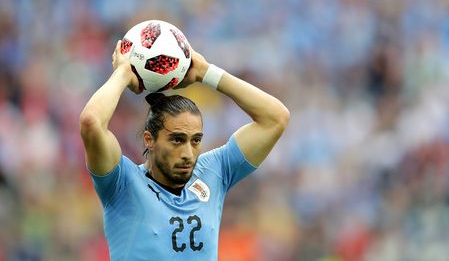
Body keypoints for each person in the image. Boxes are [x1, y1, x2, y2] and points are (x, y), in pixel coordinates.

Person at [79, 40, 290, 260]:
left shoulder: (214, 172)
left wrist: (205, 72)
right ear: (149, 139)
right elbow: (91, 122)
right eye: (177, 140)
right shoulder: (122, 183)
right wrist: (123, 73)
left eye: (196, 140)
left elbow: (276, 118)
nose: (188, 153)